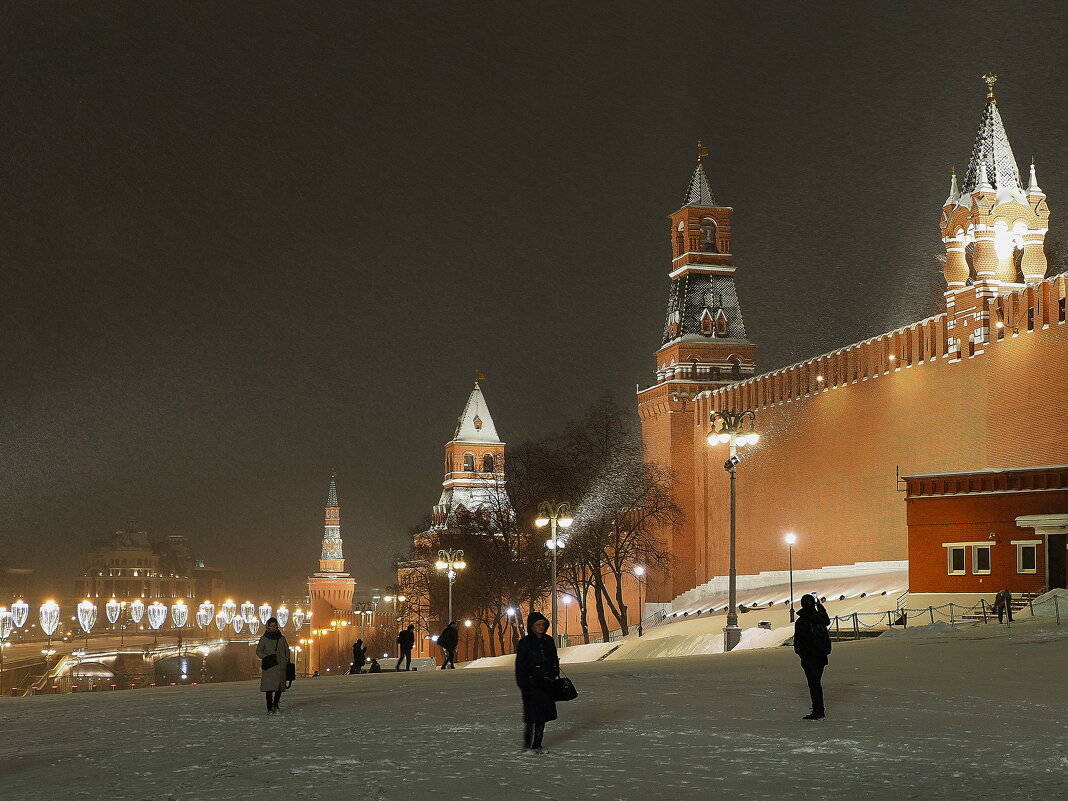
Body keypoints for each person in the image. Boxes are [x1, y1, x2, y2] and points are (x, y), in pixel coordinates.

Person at [515, 611, 559, 753]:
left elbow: (554, 659)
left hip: (546, 683)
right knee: (531, 715)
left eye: (543, 624)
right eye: (538, 625)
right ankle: (527, 744)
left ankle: (537, 744)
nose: (541, 627)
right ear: (531, 626)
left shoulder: (548, 641)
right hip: (530, 684)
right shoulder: (525, 643)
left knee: (542, 715)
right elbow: (520, 665)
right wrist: (524, 683)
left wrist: (553, 674)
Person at [793, 594, 831, 721]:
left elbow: (798, 642)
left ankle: (818, 710)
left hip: (809, 657)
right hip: (821, 656)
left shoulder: (801, 621)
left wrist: (801, 654)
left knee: (814, 684)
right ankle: (818, 709)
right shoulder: (820, 618)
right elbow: (826, 619)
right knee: (817, 683)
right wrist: (819, 605)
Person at [255, 617, 291, 715]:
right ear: (268, 627)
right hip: (270, 667)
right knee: (269, 689)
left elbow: (287, 650)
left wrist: (286, 659)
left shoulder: (282, 638)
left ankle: (276, 705)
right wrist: (267, 657)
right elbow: (258, 651)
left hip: (280, 667)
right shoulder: (264, 638)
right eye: (271, 626)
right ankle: (270, 708)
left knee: (279, 688)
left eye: (275, 625)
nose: (273, 627)